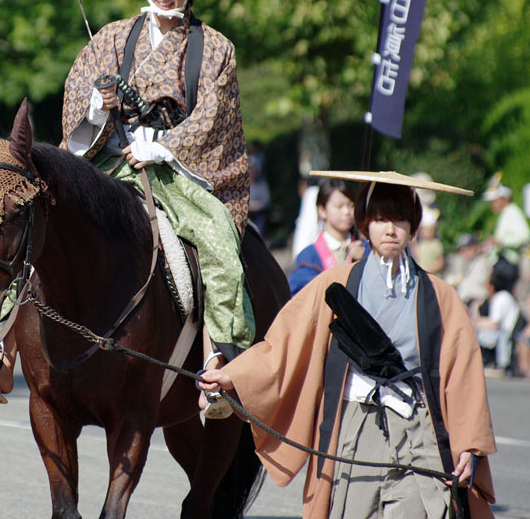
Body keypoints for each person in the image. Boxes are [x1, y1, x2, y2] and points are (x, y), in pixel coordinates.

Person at [199, 170, 495, 518]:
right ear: (364, 225)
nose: (390, 229)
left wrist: (469, 446)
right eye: (380, 219)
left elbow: (463, 374)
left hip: (419, 430)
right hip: (354, 427)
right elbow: (283, 344)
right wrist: (233, 375)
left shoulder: (439, 296)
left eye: (399, 219)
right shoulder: (337, 282)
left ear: (413, 226)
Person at [59, 0, 252, 411]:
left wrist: (164, 146)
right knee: (41, 211)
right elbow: (74, 124)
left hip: (177, 169)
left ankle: (222, 368)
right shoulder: (110, 38)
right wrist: (97, 109)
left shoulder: (215, 48)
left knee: (219, 243)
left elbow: (213, 118)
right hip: (108, 162)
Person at [287, 178, 365, 295]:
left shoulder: (366, 249)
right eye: (339, 206)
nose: (347, 212)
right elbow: (299, 301)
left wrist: (364, 262)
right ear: (322, 210)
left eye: (351, 205)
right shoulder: (309, 256)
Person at [470, 261, 521, 376]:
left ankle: (485, 363)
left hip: (505, 334)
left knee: (475, 334)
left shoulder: (500, 298)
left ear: (492, 286)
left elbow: (494, 324)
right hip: (503, 332)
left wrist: (474, 324)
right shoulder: (503, 296)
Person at [481, 173, 530, 276]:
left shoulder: (513, 212)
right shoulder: (505, 213)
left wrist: (501, 242)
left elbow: (524, 236)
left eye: (495, 201)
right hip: (503, 262)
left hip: (508, 264)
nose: (492, 205)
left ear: (505, 199)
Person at [444, 233, 492, 306]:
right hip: (465, 302)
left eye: (468, 248)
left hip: (478, 302)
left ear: (476, 247)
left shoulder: (482, 263)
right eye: (462, 249)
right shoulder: (469, 262)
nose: (464, 252)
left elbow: (488, 286)